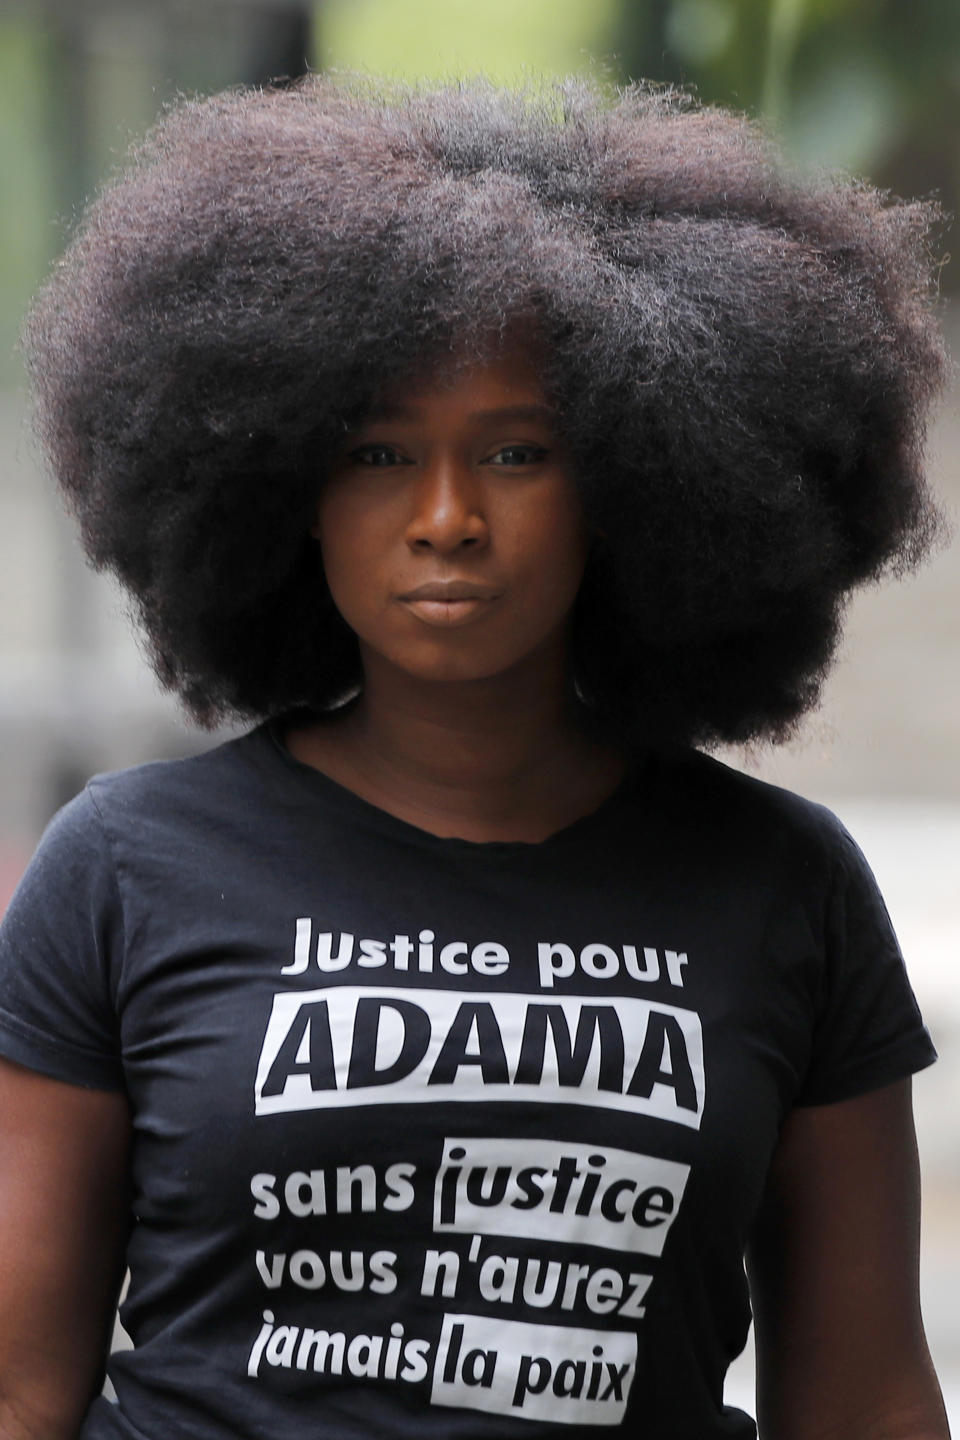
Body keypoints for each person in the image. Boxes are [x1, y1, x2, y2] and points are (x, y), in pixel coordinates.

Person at [0, 75, 952, 1440]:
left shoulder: (782, 887)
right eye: (380, 453)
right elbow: (17, 1386)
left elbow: (862, 1399)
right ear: (283, 491)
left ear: (639, 478)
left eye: (517, 452)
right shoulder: (123, 868)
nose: (446, 518)